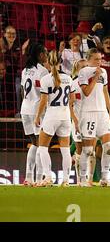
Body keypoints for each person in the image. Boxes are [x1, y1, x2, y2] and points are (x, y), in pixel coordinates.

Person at [34, 50, 77, 187]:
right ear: (60, 62)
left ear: (48, 62)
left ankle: (47, 177)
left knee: (42, 147)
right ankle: (65, 180)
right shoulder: (69, 78)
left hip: (52, 115)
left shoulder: (46, 79)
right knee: (65, 150)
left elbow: (43, 101)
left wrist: (37, 117)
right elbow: (73, 99)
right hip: (65, 115)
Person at [78, 48, 110, 187]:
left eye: (100, 59)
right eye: (96, 59)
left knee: (109, 146)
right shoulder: (83, 72)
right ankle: (82, 179)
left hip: (102, 113)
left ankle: (104, 179)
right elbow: (86, 92)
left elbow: (105, 91)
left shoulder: (104, 72)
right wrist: (94, 77)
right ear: (88, 60)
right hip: (89, 113)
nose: (99, 62)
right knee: (87, 150)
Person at [21, 43, 49, 186]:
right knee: (41, 145)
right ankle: (38, 179)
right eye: (45, 53)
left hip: (25, 109)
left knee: (34, 144)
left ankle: (28, 178)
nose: (47, 55)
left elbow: (22, 91)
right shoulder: (43, 71)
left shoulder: (25, 70)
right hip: (37, 111)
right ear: (40, 55)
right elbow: (45, 94)